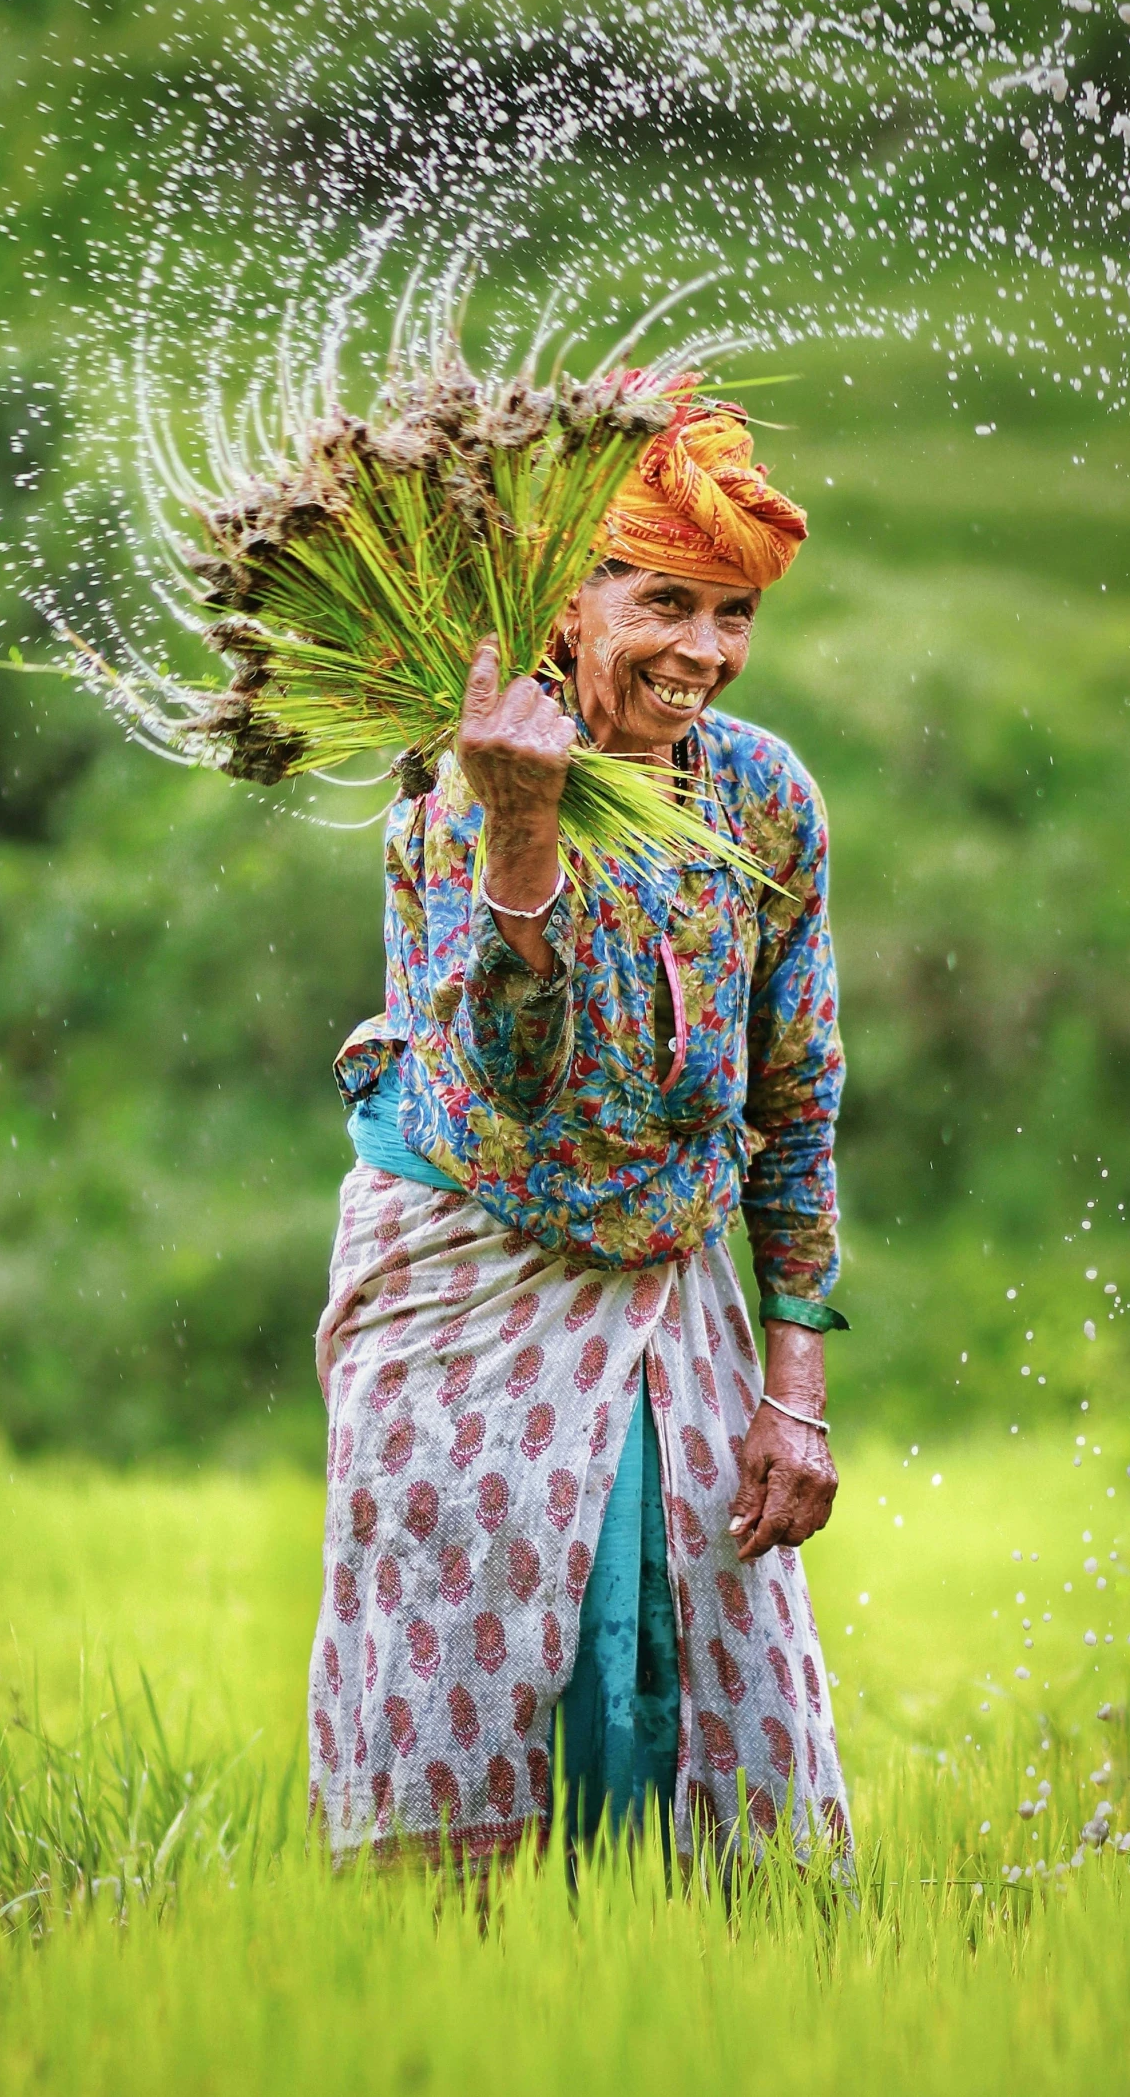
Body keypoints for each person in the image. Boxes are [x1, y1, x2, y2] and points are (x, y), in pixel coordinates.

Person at [309, 390, 849, 1867]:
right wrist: (525, 835)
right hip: (468, 1285)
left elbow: (794, 1097)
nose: (702, 652)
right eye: (663, 599)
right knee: (459, 1675)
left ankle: (700, 2002)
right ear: (568, 594)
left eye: (731, 612)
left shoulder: (762, 797)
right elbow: (509, 1079)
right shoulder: (454, 786)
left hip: (676, 1285)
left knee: (699, 1654)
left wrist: (792, 1380)